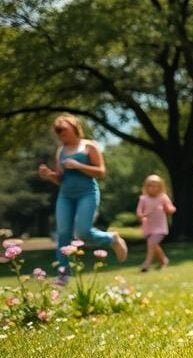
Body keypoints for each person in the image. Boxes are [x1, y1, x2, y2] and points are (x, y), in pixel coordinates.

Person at [36, 114, 127, 281]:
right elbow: (60, 178)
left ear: (74, 127)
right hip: (65, 196)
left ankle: (112, 238)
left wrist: (78, 165)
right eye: (57, 130)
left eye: (63, 129)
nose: (60, 133)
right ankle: (63, 274)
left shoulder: (88, 146)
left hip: (87, 193)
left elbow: (101, 172)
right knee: (63, 233)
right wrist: (49, 175)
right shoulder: (61, 151)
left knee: (83, 232)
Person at [137, 174, 176, 271]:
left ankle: (147, 263)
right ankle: (164, 260)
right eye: (150, 186)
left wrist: (168, 209)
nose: (153, 188)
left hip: (160, 226)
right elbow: (139, 212)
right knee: (154, 245)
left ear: (160, 187)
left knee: (152, 242)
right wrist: (142, 216)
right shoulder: (143, 199)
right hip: (148, 226)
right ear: (146, 187)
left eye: (156, 186)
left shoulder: (163, 197)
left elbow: (171, 209)